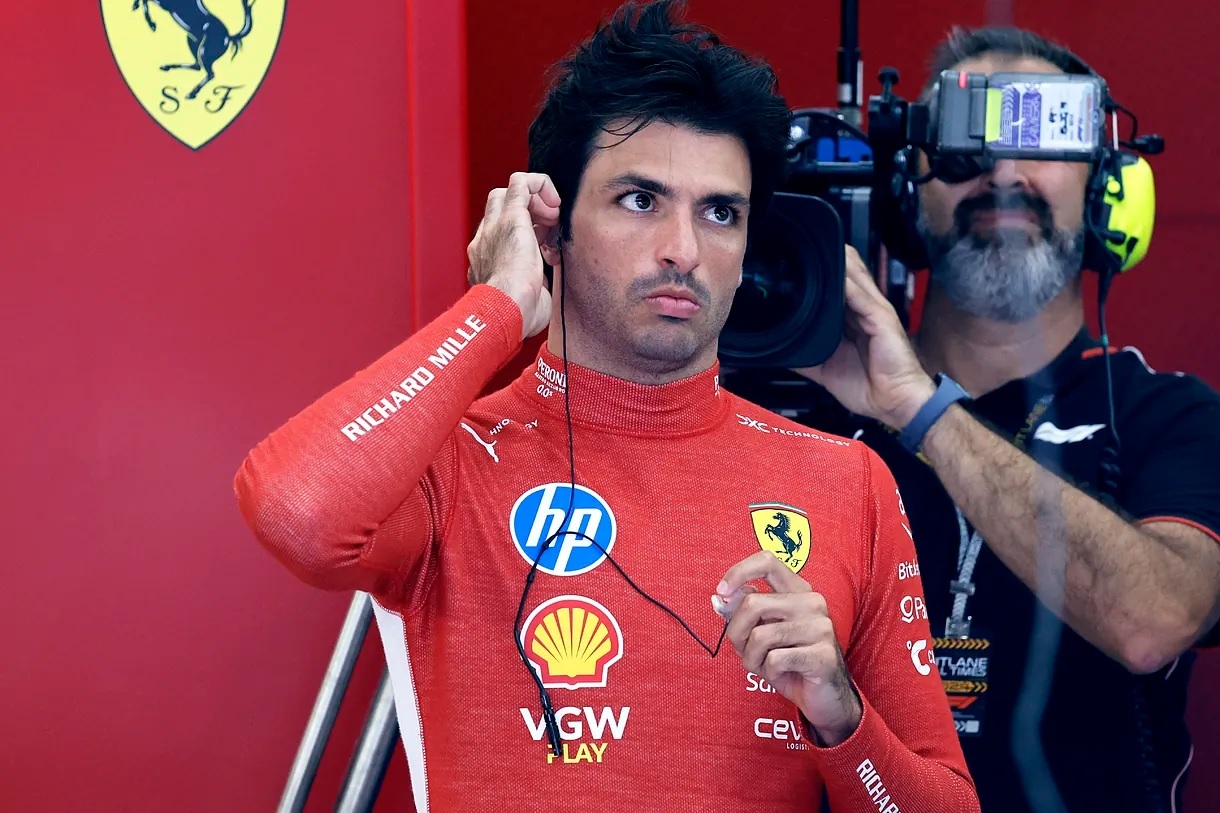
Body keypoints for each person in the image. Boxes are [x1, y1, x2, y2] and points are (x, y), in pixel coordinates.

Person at [233, 1, 981, 810]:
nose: (684, 251)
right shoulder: (451, 456)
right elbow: (296, 511)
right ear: (551, 226)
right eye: (640, 199)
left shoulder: (847, 480)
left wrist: (843, 720)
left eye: (719, 212)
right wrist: (498, 308)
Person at [791, 25, 1220, 813]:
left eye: (1044, 135)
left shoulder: (1174, 416)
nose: (1004, 171)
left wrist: (918, 408)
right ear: (901, 190)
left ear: (1105, 188)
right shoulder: (796, 409)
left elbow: (1154, 619)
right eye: (965, 143)